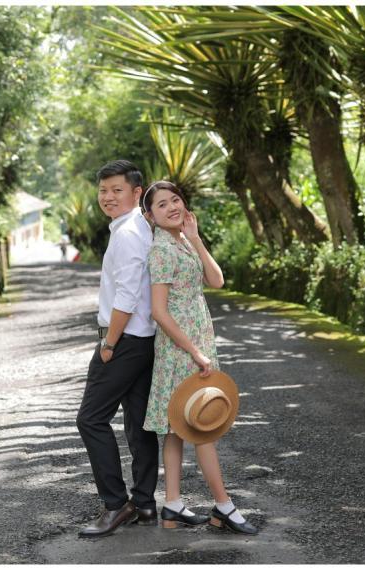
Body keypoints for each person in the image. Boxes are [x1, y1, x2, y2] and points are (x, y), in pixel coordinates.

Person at [142, 180, 258, 535]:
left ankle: (173, 504)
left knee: (178, 428)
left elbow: (217, 281)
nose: (172, 207)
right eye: (162, 205)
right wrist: (194, 351)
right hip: (183, 351)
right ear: (149, 216)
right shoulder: (160, 251)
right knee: (202, 426)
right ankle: (224, 506)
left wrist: (195, 237)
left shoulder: (182, 243)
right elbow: (159, 312)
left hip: (196, 344)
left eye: (175, 200)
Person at [75, 160, 160, 538]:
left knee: (91, 419)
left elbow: (126, 294)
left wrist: (109, 343)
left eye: (116, 190)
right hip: (144, 339)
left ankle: (116, 505)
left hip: (124, 339)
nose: (108, 197)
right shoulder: (140, 226)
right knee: (139, 422)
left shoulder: (127, 233)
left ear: (136, 192)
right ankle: (144, 503)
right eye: (103, 191)